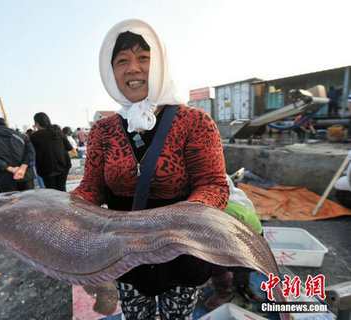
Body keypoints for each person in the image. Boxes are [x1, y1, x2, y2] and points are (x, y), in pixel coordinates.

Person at [71, 20, 229, 319]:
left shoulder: (194, 122)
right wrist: (67, 209)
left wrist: (176, 221)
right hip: (124, 254)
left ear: (160, 65)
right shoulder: (103, 130)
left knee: (177, 315)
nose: (132, 68)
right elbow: (92, 186)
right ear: (110, 72)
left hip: (181, 251)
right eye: (121, 61)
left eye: (143, 57)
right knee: (135, 315)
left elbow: (213, 185)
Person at [205, 174, 263, 310]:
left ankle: (225, 292)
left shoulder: (218, 208)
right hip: (257, 251)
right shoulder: (238, 199)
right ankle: (242, 287)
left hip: (247, 254)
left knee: (207, 258)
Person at [0, 118, 36, 192]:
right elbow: (30, 152)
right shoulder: (21, 135)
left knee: (11, 202)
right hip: (26, 175)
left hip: (4, 178)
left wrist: (10, 169)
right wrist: (23, 168)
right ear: (6, 124)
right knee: (29, 201)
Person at [30, 113, 73, 191]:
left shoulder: (34, 136)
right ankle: (64, 203)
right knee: (62, 189)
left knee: (51, 192)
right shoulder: (58, 132)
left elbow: (31, 153)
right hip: (63, 166)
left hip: (46, 169)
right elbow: (69, 147)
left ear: (37, 123)